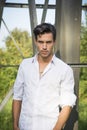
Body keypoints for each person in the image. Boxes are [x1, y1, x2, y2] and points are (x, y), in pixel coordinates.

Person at [12, 23, 77, 130]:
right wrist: (15, 124)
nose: (44, 47)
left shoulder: (64, 70)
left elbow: (67, 104)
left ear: (54, 42)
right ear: (35, 41)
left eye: (48, 42)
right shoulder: (25, 65)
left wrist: (56, 129)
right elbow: (17, 97)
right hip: (25, 126)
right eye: (41, 42)